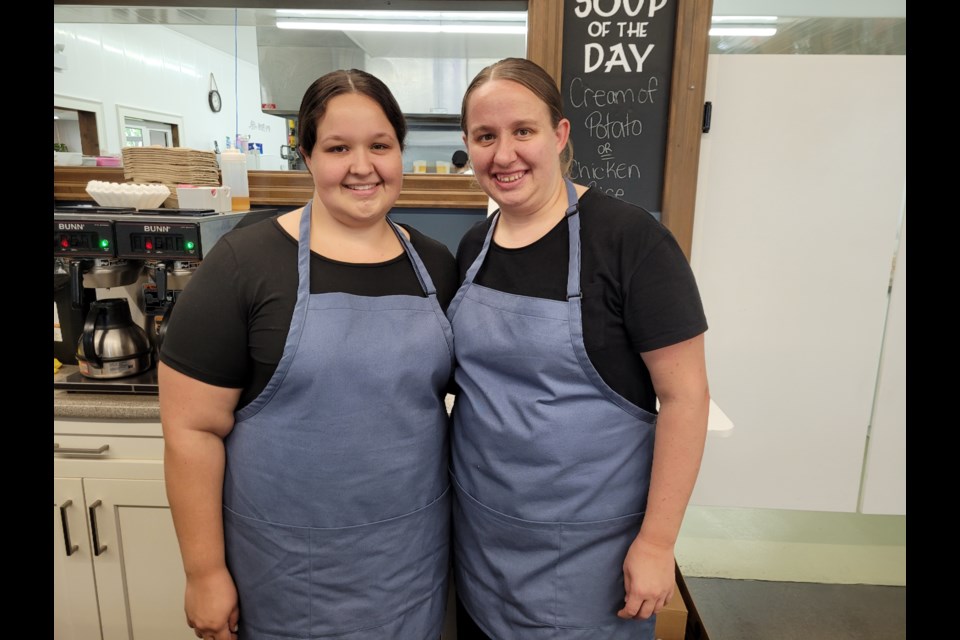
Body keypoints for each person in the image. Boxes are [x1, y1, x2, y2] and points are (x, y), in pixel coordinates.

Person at [159, 69, 457, 640]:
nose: (362, 166)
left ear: (400, 150)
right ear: (307, 156)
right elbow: (191, 431)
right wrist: (204, 572)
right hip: (284, 574)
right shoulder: (244, 266)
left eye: (380, 145)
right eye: (338, 148)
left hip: (410, 564)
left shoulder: (437, 267)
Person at [448, 57, 710, 639]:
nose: (504, 154)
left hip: (590, 557)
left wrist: (658, 541)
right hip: (482, 540)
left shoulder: (631, 241)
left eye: (523, 131)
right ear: (468, 146)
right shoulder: (473, 246)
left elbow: (686, 398)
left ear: (560, 135)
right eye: (486, 137)